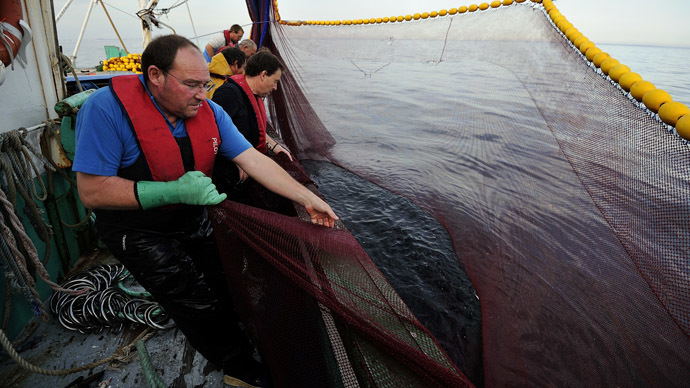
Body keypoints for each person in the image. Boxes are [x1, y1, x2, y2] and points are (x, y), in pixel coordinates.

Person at [73, 34, 338, 388]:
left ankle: (238, 333)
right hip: (138, 229)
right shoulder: (105, 110)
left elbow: (253, 159)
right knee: (192, 300)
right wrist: (173, 190)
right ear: (155, 75)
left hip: (191, 217)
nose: (202, 93)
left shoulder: (209, 111)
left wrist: (308, 199)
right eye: (191, 85)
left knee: (226, 278)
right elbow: (91, 191)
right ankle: (239, 368)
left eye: (204, 83)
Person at [211, 49, 291, 194]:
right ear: (263, 74)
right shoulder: (228, 94)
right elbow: (212, 134)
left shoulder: (254, 95)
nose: (275, 87)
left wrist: (274, 146)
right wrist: (238, 159)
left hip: (250, 166)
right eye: (275, 81)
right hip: (227, 178)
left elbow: (258, 129)